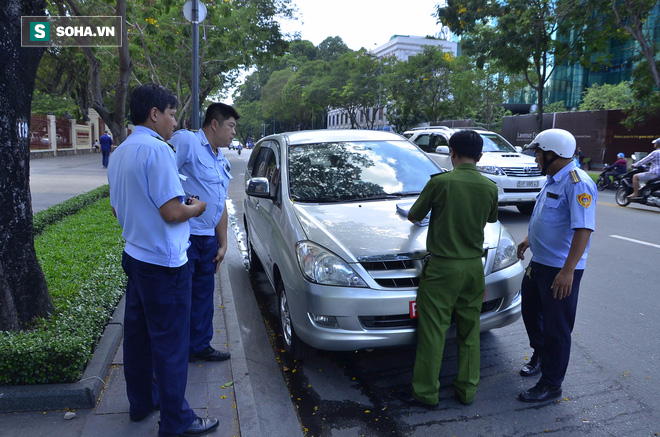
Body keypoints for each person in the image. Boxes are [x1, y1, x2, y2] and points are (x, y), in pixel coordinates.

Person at [107, 83, 219, 436]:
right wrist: (198, 207)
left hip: (135, 255)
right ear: (154, 113)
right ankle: (177, 421)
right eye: (171, 114)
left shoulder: (122, 151)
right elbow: (172, 212)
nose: (174, 122)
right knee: (171, 344)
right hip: (165, 263)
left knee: (139, 339)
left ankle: (142, 402)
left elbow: (116, 208)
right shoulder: (158, 151)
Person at [397, 130, 498, 408]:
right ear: (479, 156)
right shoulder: (490, 187)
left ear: (451, 152)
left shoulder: (441, 183)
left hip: (442, 268)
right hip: (473, 269)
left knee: (433, 331)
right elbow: (491, 218)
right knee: (469, 331)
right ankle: (467, 390)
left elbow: (415, 214)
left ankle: (426, 393)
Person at [517, 128, 597, 403]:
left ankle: (552, 384)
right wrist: (529, 239)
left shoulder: (578, 183)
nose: (536, 158)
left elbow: (583, 229)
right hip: (539, 262)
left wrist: (568, 271)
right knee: (529, 311)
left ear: (553, 153)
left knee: (557, 327)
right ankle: (541, 354)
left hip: (559, 269)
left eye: (538, 153)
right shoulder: (553, 179)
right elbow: (547, 217)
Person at [170, 102, 239, 362]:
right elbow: (164, 176)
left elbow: (220, 201)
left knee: (202, 297)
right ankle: (177, 351)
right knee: (181, 298)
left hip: (208, 239)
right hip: (185, 236)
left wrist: (223, 243)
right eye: (231, 126)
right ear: (214, 124)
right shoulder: (187, 141)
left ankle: (199, 345)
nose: (234, 132)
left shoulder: (220, 157)